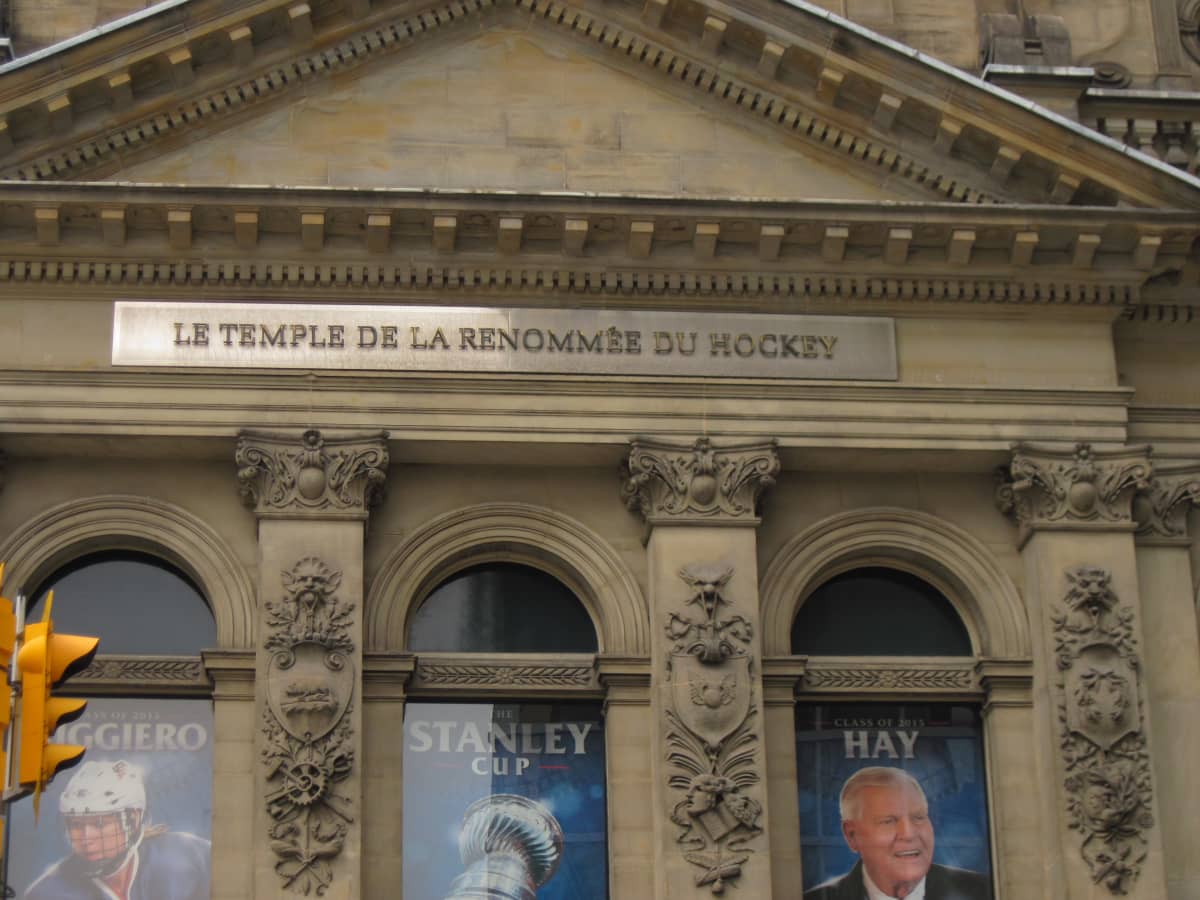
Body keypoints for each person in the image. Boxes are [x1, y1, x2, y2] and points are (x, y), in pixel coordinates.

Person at [25, 759, 210, 900]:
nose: (86, 838)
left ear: (133, 818)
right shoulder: (47, 893)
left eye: (99, 824)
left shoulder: (188, 855)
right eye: (76, 825)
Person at [803, 767, 990, 900]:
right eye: (888, 821)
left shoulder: (985, 891)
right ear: (852, 835)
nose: (908, 834)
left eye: (918, 817)